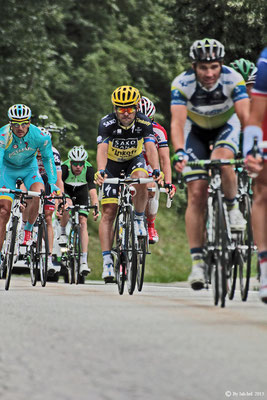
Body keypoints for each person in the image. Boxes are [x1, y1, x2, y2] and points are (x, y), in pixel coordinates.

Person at [171, 38, 250, 290]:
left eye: (214, 67)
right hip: (194, 132)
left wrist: (251, 149)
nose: (209, 73)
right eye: (203, 67)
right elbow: (176, 123)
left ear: (221, 65)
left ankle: (232, 207)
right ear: (194, 66)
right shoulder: (182, 84)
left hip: (225, 128)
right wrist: (180, 152)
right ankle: (198, 263)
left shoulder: (233, 79)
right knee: (196, 194)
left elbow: (245, 117)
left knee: (222, 161)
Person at [95, 85, 162, 282]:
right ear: (114, 108)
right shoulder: (106, 123)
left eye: (130, 108)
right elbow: (102, 150)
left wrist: (157, 170)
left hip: (134, 160)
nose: (126, 113)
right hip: (112, 165)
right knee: (108, 212)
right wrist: (100, 171)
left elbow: (150, 148)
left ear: (136, 108)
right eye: (121, 109)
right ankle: (107, 261)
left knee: (142, 177)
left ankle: (139, 218)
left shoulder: (144, 121)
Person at [0, 104, 59, 261]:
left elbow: (48, 159)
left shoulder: (39, 136)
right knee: (3, 212)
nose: (20, 127)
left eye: (24, 123)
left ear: (29, 122)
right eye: (16, 123)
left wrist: (53, 183)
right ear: (10, 122)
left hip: (29, 170)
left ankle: (27, 230)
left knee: (38, 194)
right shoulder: (3, 134)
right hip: (7, 171)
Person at [21, 127, 65, 275]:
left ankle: (49, 256)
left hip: (47, 182)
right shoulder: (28, 150)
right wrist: (22, 193)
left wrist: (60, 197)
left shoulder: (54, 154)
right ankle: (25, 228)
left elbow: (58, 180)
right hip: (31, 178)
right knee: (29, 198)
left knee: (48, 217)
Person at [243, 47, 267, 303]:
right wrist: (252, 153)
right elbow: (256, 117)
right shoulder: (265, 61)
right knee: (261, 190)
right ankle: (265, 266)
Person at [138, 96, 176, 244]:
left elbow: (165, 159)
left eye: (149, 120)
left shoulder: (158, 131)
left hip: (149, 165)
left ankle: (150, 225)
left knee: (151, 188)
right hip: (131, 163)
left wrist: (168, 182)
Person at [58, 145, 99, 276]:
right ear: (70, 162)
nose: (78, 167)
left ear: (84, 163)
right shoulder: (64, 168)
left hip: (82, 193)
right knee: (67, 205)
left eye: (80, 164)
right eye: (75, 164)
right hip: (67, 191)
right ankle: (63, 233)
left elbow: (92, 190)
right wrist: (60, 203)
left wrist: (96, 206)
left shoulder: (89, 169)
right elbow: (59, 186)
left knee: (83, 222)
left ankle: (83, 261)